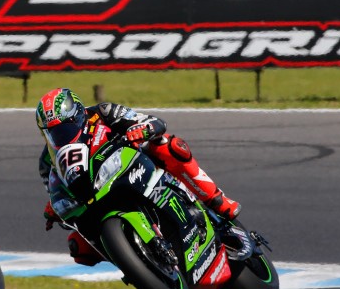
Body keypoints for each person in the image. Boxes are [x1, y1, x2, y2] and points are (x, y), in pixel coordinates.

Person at [35, 87, 240, 265]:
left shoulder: (103, 112)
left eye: (66, 127)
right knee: (78, 249)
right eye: (54, 132)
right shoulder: (47, 161)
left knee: (168, 146)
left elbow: (153, 122)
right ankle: (140, 263)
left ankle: (217, 201)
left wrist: (143, 129)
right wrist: (53, 206)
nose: (62, 135)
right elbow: (55, 188)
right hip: (93, 195)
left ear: (78, 114)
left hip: (131, 165)